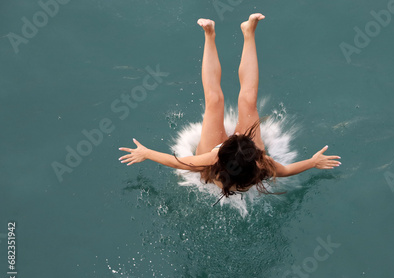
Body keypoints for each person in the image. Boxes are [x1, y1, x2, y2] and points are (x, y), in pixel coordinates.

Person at [118, 13, 341, 200]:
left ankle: (210, 35)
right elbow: (179, 162)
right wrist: (313, 162)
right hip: (226, 159)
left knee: (216, 100)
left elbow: (178, 162)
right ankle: (246, 33)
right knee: (243, 99)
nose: (232, 134)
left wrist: (146, 153)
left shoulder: (258, 164)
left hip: (229, 163)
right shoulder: (222, 159)